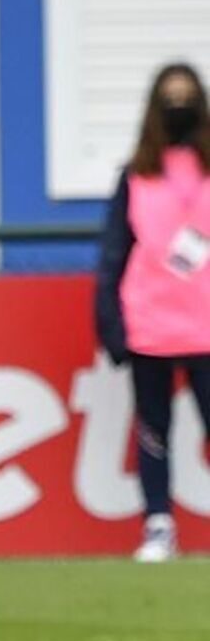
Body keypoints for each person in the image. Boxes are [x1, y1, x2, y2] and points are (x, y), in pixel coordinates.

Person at [94, 62, 210, 564]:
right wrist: (110, 323)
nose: (179, 106)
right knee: (153, 428)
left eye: (188, 97)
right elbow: (114, 253)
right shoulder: (135, 177)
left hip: (206, 325)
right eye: (171, 98)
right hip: (151, 326)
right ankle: (158, 522)